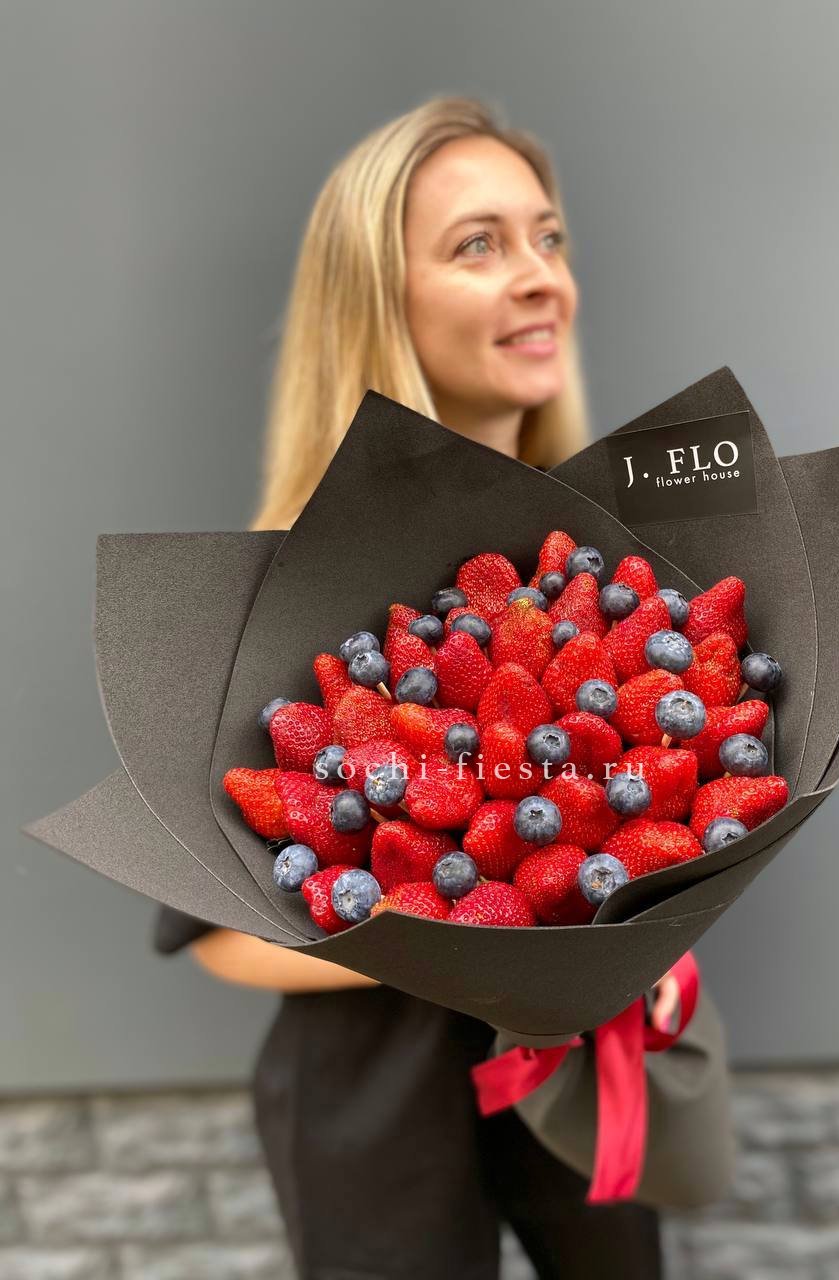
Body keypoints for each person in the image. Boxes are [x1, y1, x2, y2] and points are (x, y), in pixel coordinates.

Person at [155, 94, 681, 1280]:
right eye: (478, 244)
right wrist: (464, 938)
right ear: (377, 301)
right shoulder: (285, 587)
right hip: (375, 1112)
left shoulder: (600, 568)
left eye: (549, 236)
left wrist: (641, 939)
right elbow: (215, 935)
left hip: (577, 1076)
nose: (541, 276)